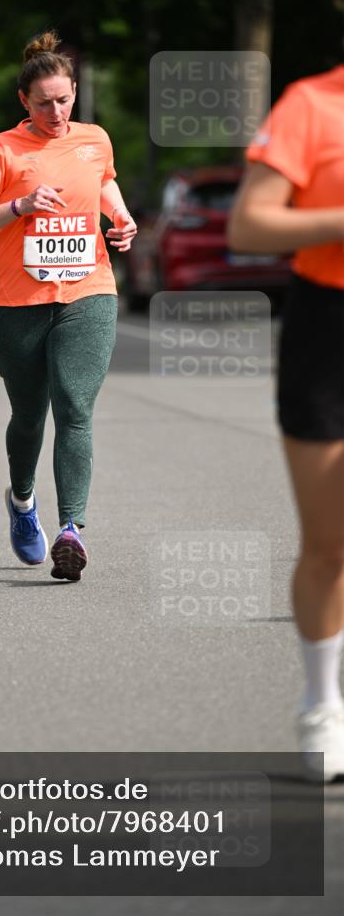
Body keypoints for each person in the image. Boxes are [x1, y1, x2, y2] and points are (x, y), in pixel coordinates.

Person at [0, 31, 137, 582]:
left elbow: (102, 182)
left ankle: (71, 532)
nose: (56, 112)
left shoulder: (94, 139)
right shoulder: (1, 150)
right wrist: (20, 204)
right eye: (43, 103)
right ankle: (21, 499)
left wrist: (121, 218)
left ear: (75, 92)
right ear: (23, 102)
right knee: (29, 415)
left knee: (75, 407)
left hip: (89, 291)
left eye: (64, 100)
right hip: (17, 301)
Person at [227, 64, 344, 781]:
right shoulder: (312, 104)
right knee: (330, 543)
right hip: (327, 329)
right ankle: (321, 707)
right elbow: (249, 223)